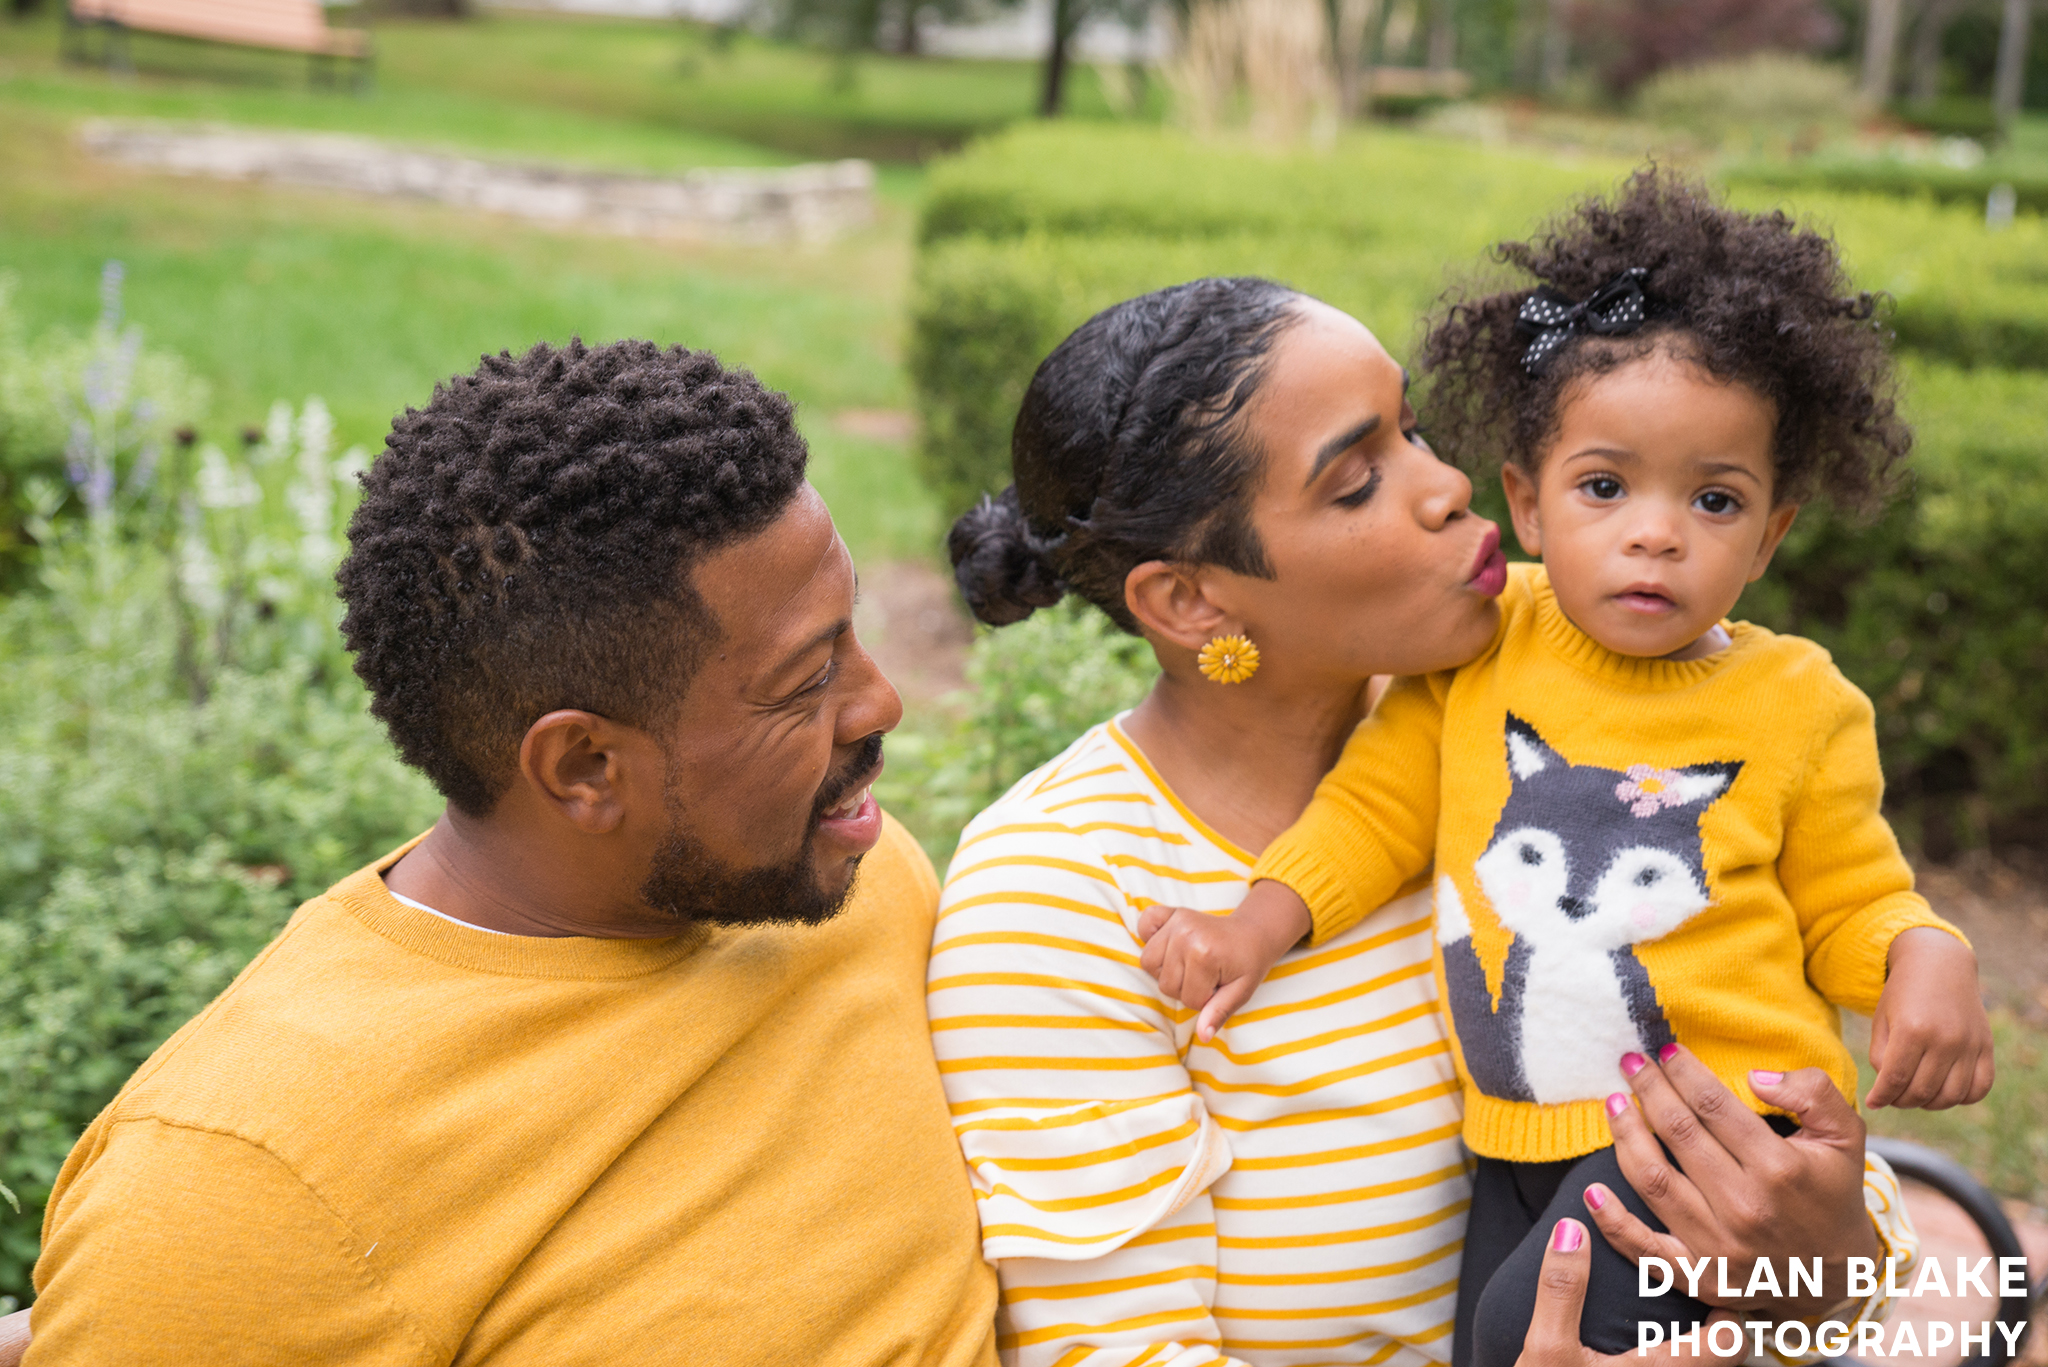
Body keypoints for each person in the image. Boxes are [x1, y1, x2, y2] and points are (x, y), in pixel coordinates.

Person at [936, 275, 1921, 1367]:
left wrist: (1823, 1268)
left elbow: (1780, 1149)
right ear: (1190, 602)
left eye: (1414, 430)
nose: (1451, 485)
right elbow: (1110, 1351)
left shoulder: (1538, 733)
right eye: (1359, 480)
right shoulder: (1056, 892)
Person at [1133, 175, 1992, 1367]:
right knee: (1485, 1339)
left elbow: (1848, 899)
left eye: (1712, 498)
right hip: (1512, 1137)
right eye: (1604, 486)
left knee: (1506, 1337)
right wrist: (1254, 924)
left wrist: (1923, 952)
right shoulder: (1490, 648)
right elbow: (1374, 808)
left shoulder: (1798, 702)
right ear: (1526, 506)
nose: (1654, 531)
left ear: (1772, 532)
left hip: (1701, 1128)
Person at [20, 340, 1000, 1365]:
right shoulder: (252, 1185)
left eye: (852, 631)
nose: (882, 700)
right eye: (805, 680)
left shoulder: (847, 874)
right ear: (584, 765)